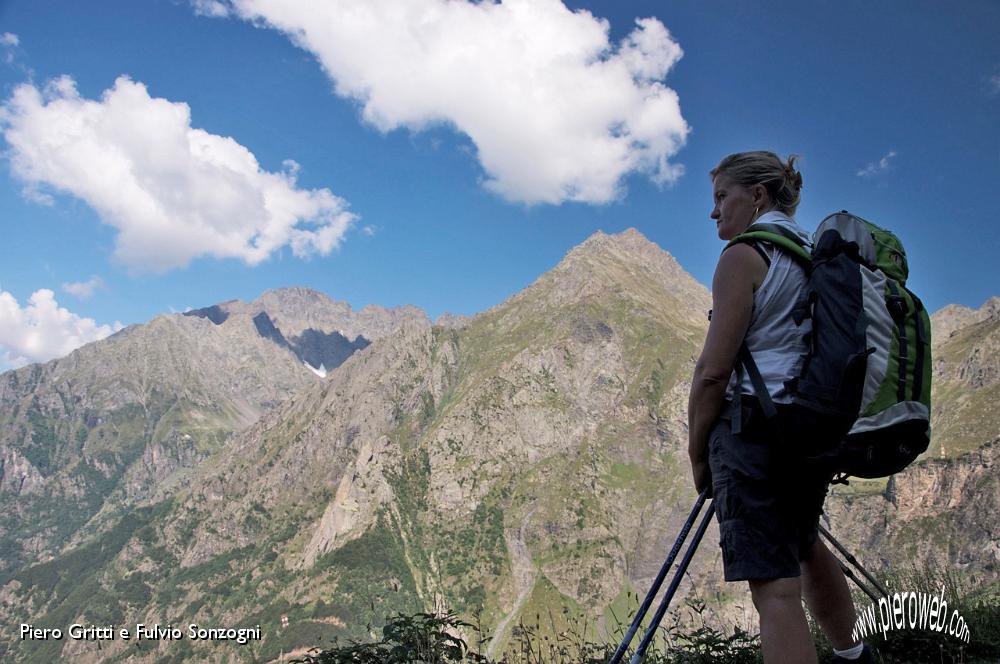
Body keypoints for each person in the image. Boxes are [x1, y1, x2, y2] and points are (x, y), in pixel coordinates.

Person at [687, 151, 872, 663]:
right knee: (807, 544)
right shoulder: (815, 253)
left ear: (759, 196)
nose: (714, 211)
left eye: (723, 196)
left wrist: (697, 452)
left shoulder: (744, 257)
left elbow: (713, 373)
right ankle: (856, 656)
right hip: (810, 427)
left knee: (776, 591)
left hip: (752, 431)